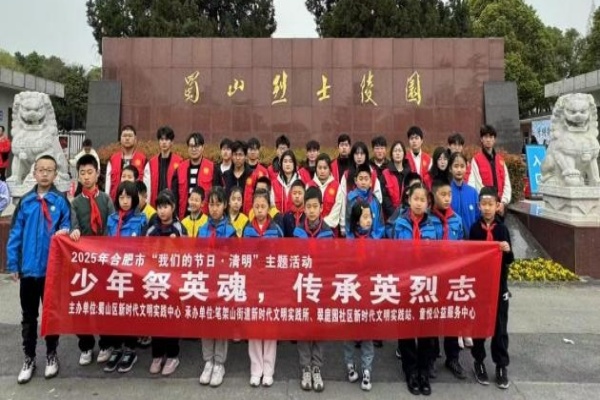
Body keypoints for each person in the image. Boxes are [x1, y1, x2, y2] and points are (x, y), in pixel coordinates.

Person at [7, 155, 70, 384]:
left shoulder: (60, 201)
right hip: (28, 270)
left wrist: (66, 230)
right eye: (41, 169)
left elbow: (68, 225)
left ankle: (52, 354)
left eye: (49, 170)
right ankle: (29, 357)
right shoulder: (26, 202)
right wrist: (13, 264)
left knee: (51, 314)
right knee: (28, 316)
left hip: (51, 271)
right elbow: (15, 234)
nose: (44, 174)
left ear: (55, 174)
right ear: (34, 173)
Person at [69, 154, 115, 367]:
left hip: (104, 259)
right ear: (78, 177)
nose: (86, 177)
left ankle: (106, 343)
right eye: (82, 173)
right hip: (82, 261)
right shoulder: (75, 203)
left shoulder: (106, 199)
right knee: (82, 302)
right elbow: (73, 225)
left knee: (104, 302)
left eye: (90, 172)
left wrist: (103, 248)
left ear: (98, 174)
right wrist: (74, 231)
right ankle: (86, 345)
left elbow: (111, 225)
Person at [392, 182, 436, 396]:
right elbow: (392, 252)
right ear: (409, 200)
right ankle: (410, 371)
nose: (419, 203)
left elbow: (441, 254)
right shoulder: (399, 224)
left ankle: (424, 372)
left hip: (427, 284)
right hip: (406, 283)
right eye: (415, 199)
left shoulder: (433, 226)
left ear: (428, 203)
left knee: (426, 329)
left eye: (422, 200)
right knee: (407, 328)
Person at [469, 186, 514, 390]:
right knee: (479, 324)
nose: (487, 208)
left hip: (499, 285)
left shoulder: (502, 229)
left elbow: (509, 260)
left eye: (490, 204)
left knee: (500, 327)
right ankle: (478, 360)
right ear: (479, 206)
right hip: (480, 285)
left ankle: (501, 365)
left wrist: (507, 249)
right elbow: (470, 257)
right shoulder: (474, 229)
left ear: (497, 206)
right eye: (483, 204)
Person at [292, 187, 334, 392]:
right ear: (303, 208)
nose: (311, 210)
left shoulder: (328, 233)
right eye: (308, 207)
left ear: (321, 208)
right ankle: (305, 367)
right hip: (302, 285)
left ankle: (317, 366)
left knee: (318, 328)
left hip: (320, 286)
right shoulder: (298, 231)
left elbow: (332, 263)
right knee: (303, 328)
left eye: (314, 206)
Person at [103, 181, 147, 373]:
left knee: (129, 311)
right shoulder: (111, 219)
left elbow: (146, 248)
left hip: (133, 273)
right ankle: (117, 347)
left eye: (128, 197)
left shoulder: (141, 220)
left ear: (135, 199)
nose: (125, 201)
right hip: (114, 272)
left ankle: (130, 349)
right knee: (114, 311)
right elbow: (105, 245)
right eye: (121, 197)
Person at [242, 189, 284, 387]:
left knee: (269, 328)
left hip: (271, 284)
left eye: (263, 206)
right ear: (252, 207)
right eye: (257, 206)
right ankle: (255, 369)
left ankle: (268, 370)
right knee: (254, 327)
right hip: (253, 283)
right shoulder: (247, 230)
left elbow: (283, 256)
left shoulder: (276, 229)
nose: (260, 210)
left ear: (269, 208)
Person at [197, 187, 236, 387]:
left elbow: (235, 260)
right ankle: (208, 361)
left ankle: (219, 363)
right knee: (206, 322)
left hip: (222, 284)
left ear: (225, 205)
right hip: (205, 282)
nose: (214, 209)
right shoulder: (202, 230)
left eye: (218, 204)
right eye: (211, 204)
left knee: (220, 322)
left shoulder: (230, 231)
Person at [428, 178, 467, 381]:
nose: (447, 198)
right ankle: (431, 357)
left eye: (449, 194)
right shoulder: (427, 220)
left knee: (452, 317)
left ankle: (453, 358)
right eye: (443, 195)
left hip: (452, 277)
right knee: (432, 316)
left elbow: (462, 245)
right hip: (433, 277)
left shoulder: (457, 220)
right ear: (433, 196)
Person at [146, 189, 186, 376]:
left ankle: (172, 356)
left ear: (173, 207)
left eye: (166, 207)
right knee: (156, 317)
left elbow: (187, 255)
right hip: (155, 281)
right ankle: (157, 355)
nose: (162, 211)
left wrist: (176, 245)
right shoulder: (152, 229)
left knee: (172, 318)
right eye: (159, 207)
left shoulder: (179, 229)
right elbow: (143, 252)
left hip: (174, 282)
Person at [343, 200, 377, 391]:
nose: (368, 220)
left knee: (367, 334)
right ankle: (349, 363)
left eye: (370, 216)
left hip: (369, 294)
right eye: (364, 217)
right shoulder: (348, 242)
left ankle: (366, 369)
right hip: (351, 291)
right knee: (349, 332)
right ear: (356, 220)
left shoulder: (376, 241)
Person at [468, 125, 512, 215]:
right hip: (486, 207)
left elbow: (506, 184)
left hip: (500, 206)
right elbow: (476, 184)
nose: (488, 140)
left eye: (491, 137)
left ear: (494, 139)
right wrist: (489, 203)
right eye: (486, 137)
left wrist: (503, 202)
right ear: (481, 139)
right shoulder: (476, 160)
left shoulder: (500, 160)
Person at [171, 132, 214, 219]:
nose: (194, 149)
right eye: (191, 146)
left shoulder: (212, 168)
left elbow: (216, 195)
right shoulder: (180, 169)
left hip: (205, 219)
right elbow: (174, 196)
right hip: (184, 217)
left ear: (203, 147)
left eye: (197, 146)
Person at [143, 126, 183, 207]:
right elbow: (147, 187)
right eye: (161, 139)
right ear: (158, 142)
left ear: (172, 142)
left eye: (167, 139)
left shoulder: (179, 162)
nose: (164, 142)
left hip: (172, 205)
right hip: (155, 205)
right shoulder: (151, 163)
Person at [105, 125, 146, 200]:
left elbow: (147, 184)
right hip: (115, 201)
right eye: (124, 136)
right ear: (120, 138)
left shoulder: (142, 159)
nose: (127, 138)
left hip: (136, 201)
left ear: (135, 139)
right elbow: (108, 184)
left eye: (130, 136)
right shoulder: (113, 159)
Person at [345, 164, 384, 239]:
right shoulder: (351, 199)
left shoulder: (375, 200)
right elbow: (348, 225)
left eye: (366, 179)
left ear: (371, 182)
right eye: (361, 179)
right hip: (355, 242)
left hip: (373, 241)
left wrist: (372, 240)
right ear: (355, 181)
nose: (363, 182)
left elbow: (380, 226)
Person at [449, 152, 480, 236]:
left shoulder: (473, 192)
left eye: (462, 166)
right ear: (450, 168)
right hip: (452, 239)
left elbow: (478, 217)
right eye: (456, 166)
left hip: (471, 238)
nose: (459, 170)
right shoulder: (446, 192)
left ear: (466, 168)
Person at [308, 153, 339, 230]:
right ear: (316, 169)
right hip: (312, 229)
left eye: (325, 168)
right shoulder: (309, 186)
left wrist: (322, 224)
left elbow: (337, 210)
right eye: (320, 168)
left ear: (330, 169)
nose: (322, 171)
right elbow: (306, 207)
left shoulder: (337, 187)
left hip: (331, 230)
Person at [380, 140, 410, 219]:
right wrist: (394, 215)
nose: (397, 153)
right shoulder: (385, 174)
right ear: (391, 154)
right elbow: (384, 197)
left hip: (407, 216)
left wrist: (405, 214)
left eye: (400, 151)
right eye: (395, 151)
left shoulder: (410, 174)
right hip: (390, 217)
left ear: (404, 154)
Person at [271, 149, 301, 214]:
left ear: (294, 164)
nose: (288, 164)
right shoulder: (273, 184)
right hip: (278, 219)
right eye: (285, 161)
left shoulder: (300, 184)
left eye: (290, 161)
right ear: (281, 164)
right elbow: (272, 206)